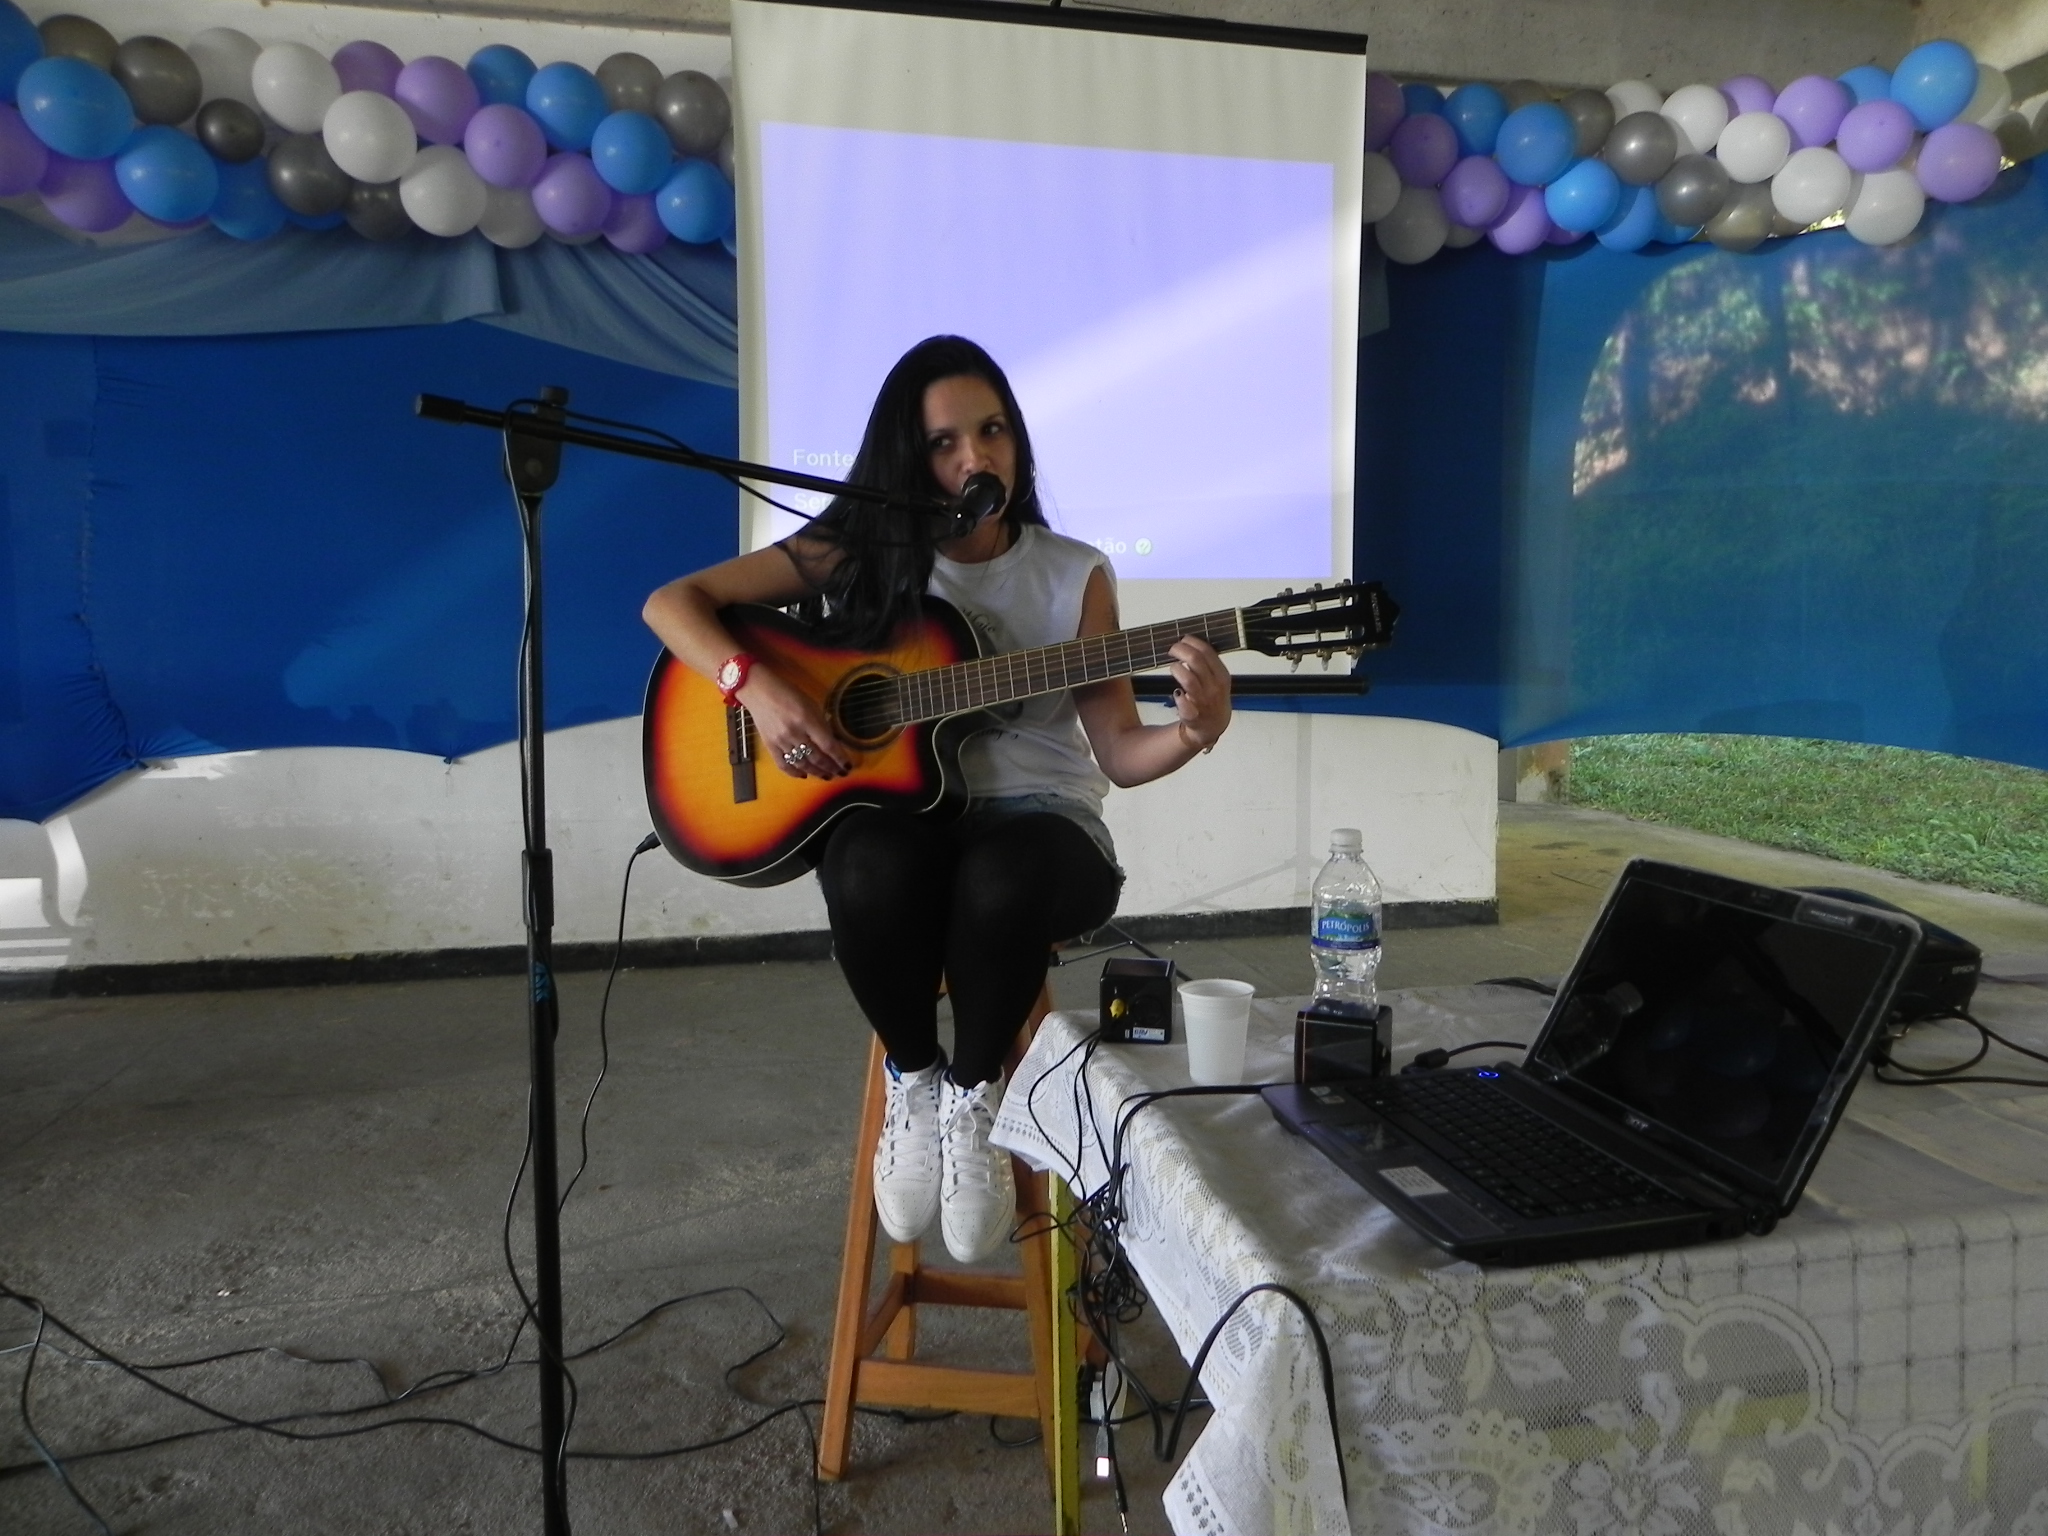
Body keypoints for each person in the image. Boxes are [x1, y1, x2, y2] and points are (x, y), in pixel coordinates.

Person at [643, 336, 1231, 1262]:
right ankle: (915, 1080)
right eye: (945, 442)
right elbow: (671, 604)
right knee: (864, 860)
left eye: (993, 432)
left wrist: (1193, 731)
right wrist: (760, 688)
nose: (975, 457)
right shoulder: (859, 552)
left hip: (1044, 834)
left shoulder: (1073, 572)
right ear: (906, 460)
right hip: (912, 828)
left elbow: (1120, 752)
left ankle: (973, 1096)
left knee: (1000, 874)